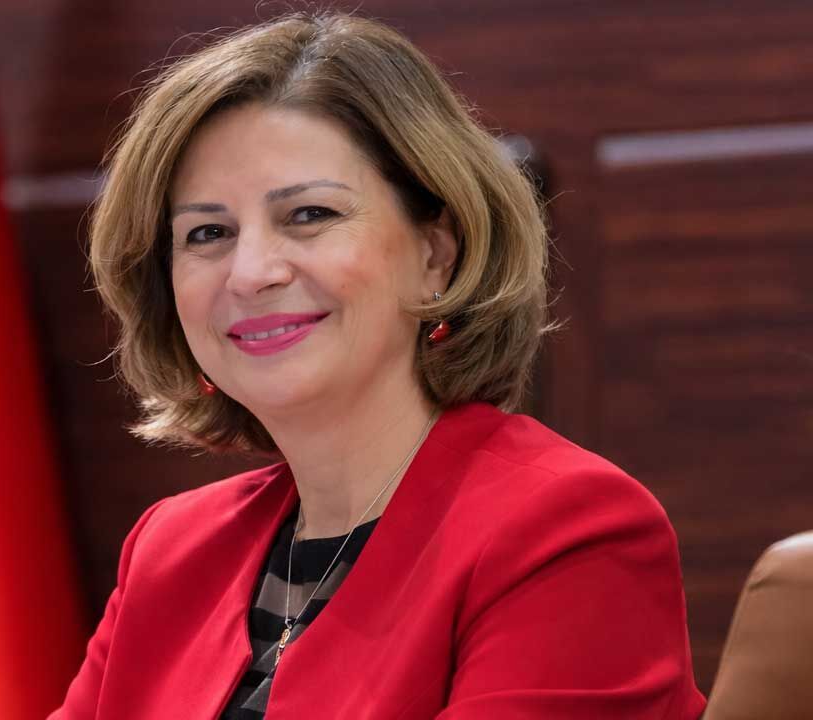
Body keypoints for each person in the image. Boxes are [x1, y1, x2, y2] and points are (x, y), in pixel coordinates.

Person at [51, 11, 706, 719]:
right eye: (208, 232)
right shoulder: (172, 550)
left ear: (436, 254)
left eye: (309, 215)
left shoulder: (566, 533)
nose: (251, 272)